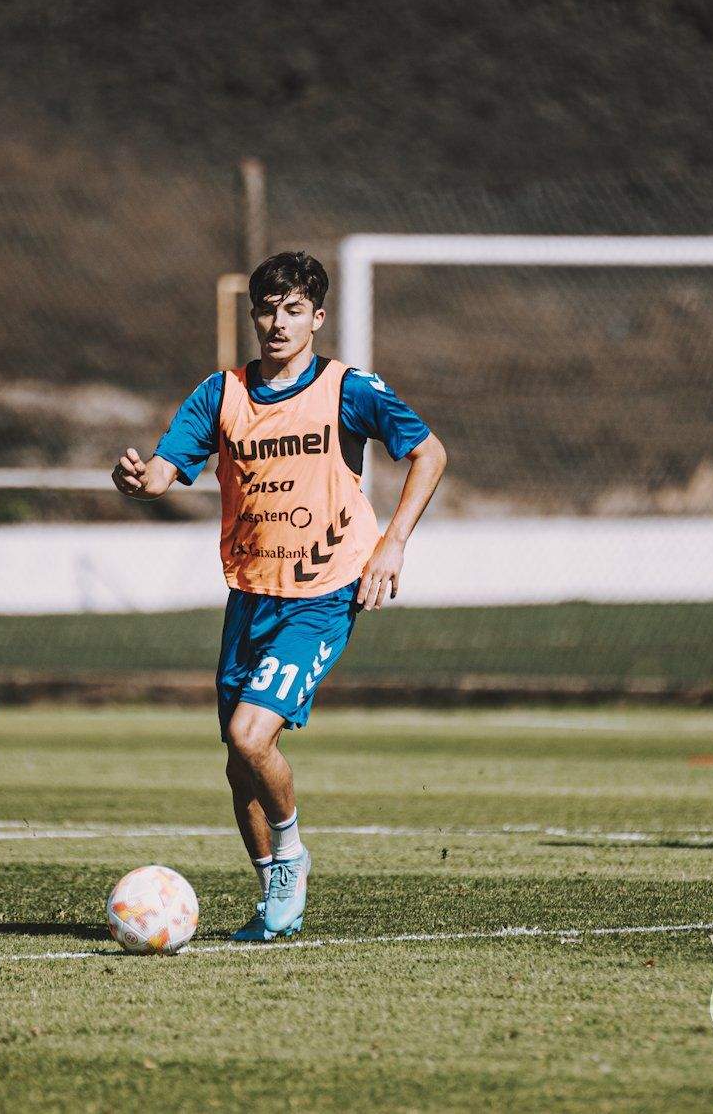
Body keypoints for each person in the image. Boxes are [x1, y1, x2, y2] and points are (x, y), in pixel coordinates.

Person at [112, 250, 447, 939]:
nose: (277, 322)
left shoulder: (348, 389)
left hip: (324, 592)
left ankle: (292, 855)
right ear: (253, 313)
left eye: (293, 310)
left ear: (317, 318)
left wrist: (394, 543)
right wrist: (139, 478)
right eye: (267, 308)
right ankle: (274, 898)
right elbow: (165, 471)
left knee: (249, 733)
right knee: (240, 764)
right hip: (250, 595)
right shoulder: (222, 393)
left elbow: (430, 453)